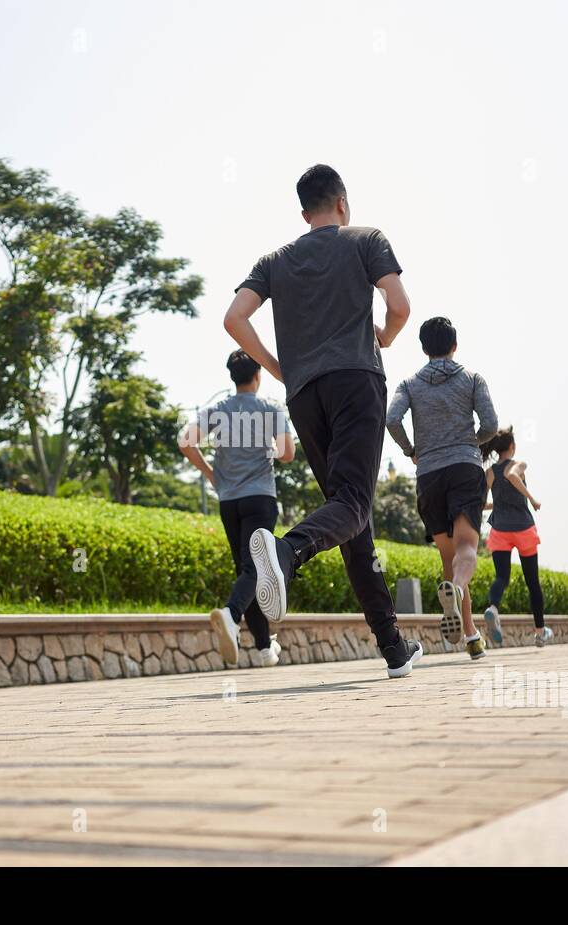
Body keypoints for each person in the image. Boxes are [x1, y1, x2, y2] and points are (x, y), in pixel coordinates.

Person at [222, 164, 424, 679]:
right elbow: (399, 306)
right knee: (353, 504)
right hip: (356, 380)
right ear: (342, 202)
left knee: (352, 516)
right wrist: (385, 337)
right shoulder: (365, 238)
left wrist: (276, 368)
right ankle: (287, 553)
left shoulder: (274, 260)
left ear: (303, 211)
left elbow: (234, 319)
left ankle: (393, 647)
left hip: (305, 393)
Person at [385, 316, 497, 661]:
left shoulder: (409, 384)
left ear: (423, 349)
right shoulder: (472, 378)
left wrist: (412, 451)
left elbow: (391, 419)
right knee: (467, 552)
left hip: (429, 474)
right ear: (454, 345)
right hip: (464, 467)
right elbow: (491, 424)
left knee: (450, 558)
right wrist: (470, 443)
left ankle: (471, 635)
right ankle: (459, 593)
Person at [179, 350, 295, 667]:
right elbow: (288, 454)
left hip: (229, 500)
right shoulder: (270, 410)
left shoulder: (218, 410)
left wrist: (212, 475)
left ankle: (262, 648)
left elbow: (185, 441)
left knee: (248, 567)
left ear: (233, 377)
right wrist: (269, 446)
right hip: (260, 497)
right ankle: (231, 614)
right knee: (255, 567)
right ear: (257, 376)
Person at [480, 426, 551, 648]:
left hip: (500, 529)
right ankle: (540, 632)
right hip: (523, 528)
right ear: (512, 446)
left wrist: (498, 503)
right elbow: (511, 475)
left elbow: (482, 504)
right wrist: (532, 498)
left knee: (502, 577)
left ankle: (493, 608)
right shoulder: (518, 465)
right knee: (533, 583)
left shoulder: (489, 472)